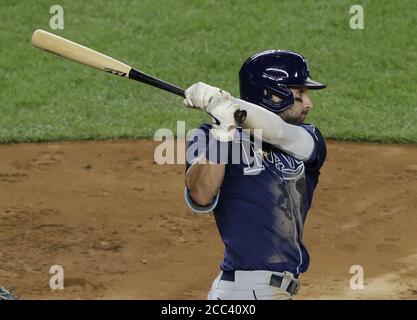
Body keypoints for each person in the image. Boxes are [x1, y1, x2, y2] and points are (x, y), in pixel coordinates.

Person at [183, 50, 327, 300]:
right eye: (300, 94)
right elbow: (201, 195)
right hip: (243, 291)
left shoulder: (309, 138)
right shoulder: (206, 135)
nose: (308, 103)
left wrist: (231, 104)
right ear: (271, 94)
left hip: (272, 290)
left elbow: (278, 131)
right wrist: (223, 133)